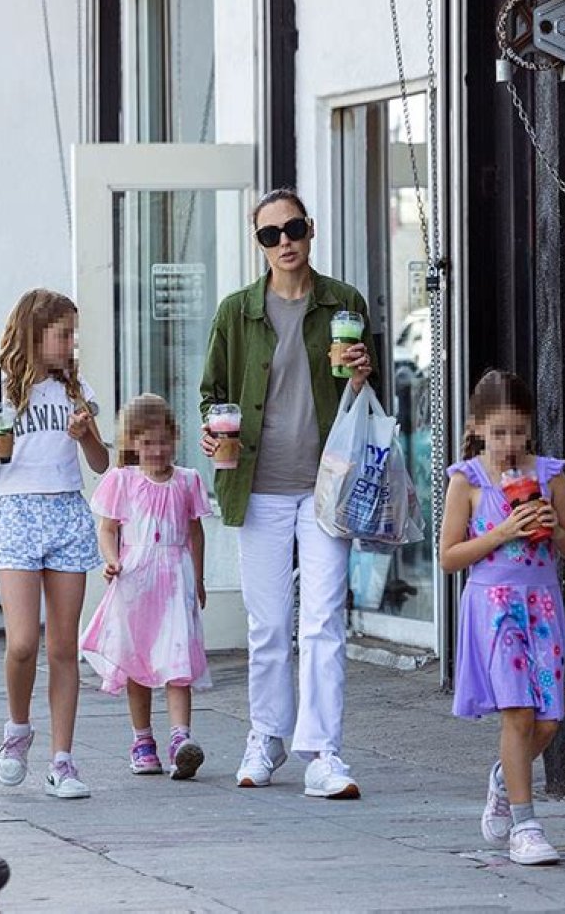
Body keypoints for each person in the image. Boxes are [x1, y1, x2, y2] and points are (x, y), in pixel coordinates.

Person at [200, 187, 377, 799]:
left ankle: (323, 752)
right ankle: (267, 735)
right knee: (269, 624)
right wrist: (210, 431)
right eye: (270, 235)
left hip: (327, 486)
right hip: (258, 487)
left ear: (311, 229)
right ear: (259, 244)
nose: (284, 243)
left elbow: (362, 396)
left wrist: (360, 376)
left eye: (293, 229)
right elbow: (212, 394)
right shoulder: (236, 312)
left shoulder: (344, 303)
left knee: (323, 621)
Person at [0, 289, 109, 799]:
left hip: (66, 511)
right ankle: (18, 728)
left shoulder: (76, 390)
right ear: (34, 334)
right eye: (63, 334)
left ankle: (62, 761)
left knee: (64, 646)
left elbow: (101, 464)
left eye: (73, 335)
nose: (71, 344)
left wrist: (85, 434)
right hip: (16, 514)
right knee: (23, 643)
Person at [440, 369, 565, 865]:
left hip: (542, 605)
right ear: (477, 428)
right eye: (499, 432)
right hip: (495, 609)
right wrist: (501, 532)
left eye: (519, 431)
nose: (509, 443)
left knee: (549, 720)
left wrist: (553, 527)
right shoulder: (468, 481)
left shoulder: (550, 476)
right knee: (518, 712)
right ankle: (526, 825)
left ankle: (505, 777)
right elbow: (449, 557)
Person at [80, 394, 212, 780]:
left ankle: (181, 739)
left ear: (175, 438)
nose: (157, 450)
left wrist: (199, 579)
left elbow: (195, 532)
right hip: (135, 580)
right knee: (136, 661)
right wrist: (111, 560)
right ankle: (142, 741)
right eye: (148, 442)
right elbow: (107, 529)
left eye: (164, 441)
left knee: (178, 659)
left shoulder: (187, 480)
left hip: (175, 579)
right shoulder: (122, 480)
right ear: (133, 444)